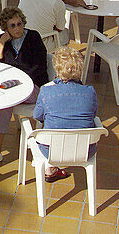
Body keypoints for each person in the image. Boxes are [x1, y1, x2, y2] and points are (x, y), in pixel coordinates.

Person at [0, 7, 49, 170]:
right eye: (12, 26)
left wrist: (20, 80)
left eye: (19, 24)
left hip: (33, 86)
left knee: (3, 99)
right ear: (6, 28)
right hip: (10, 89)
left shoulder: (33, 37)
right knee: (4, 103)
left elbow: (40, 66)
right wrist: (1, 42)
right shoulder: (4, 40)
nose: (17, 28)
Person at [32, 46, 98, 183]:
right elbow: (93, 115)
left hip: (52, 151)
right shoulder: (90, 92)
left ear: (57, 69)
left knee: (48, 131)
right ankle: (51, 169)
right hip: (84, 150)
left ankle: (50, 168)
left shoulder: (46, 91)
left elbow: (37, 116)